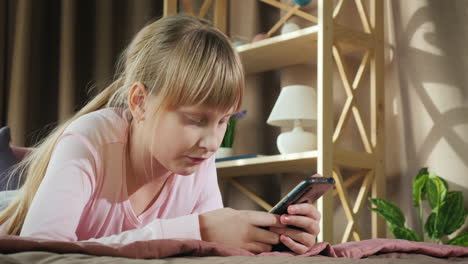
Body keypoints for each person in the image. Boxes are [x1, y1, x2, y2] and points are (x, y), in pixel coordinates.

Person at [0, 14, 320, 254]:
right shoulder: (89, 141)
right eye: (195, 120)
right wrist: (199, 229)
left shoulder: (197, 158)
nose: (212, 143)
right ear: (140, 103)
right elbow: (36, 254)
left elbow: (207, 250)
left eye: (224, 121)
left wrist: (273, 239)